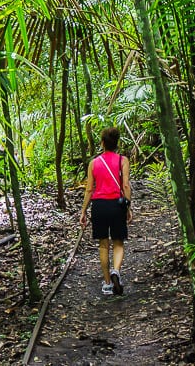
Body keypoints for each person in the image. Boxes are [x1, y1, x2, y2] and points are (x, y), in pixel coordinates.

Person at [79, 126, 133, 296]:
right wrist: (128, 206)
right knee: (118, 242)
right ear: (116, 143)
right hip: (117, 205)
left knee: (103, 245)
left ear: (102, 143)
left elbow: (89, 189)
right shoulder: (122, 160)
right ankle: (116, 271)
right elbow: (125, 185)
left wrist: (83, 211)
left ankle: (108, 284)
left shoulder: (94, 163)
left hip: (99, 206)